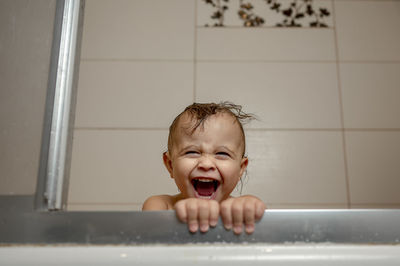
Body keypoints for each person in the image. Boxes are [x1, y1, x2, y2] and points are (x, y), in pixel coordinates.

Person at [142, 102, 266, 235]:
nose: (206, 164)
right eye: (191, 152)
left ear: (241, 168)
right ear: (170, 165)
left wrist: (249, 208)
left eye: (222, 154)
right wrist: (182, 217)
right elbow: (150, 239)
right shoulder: (161, 206)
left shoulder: (241, 209)